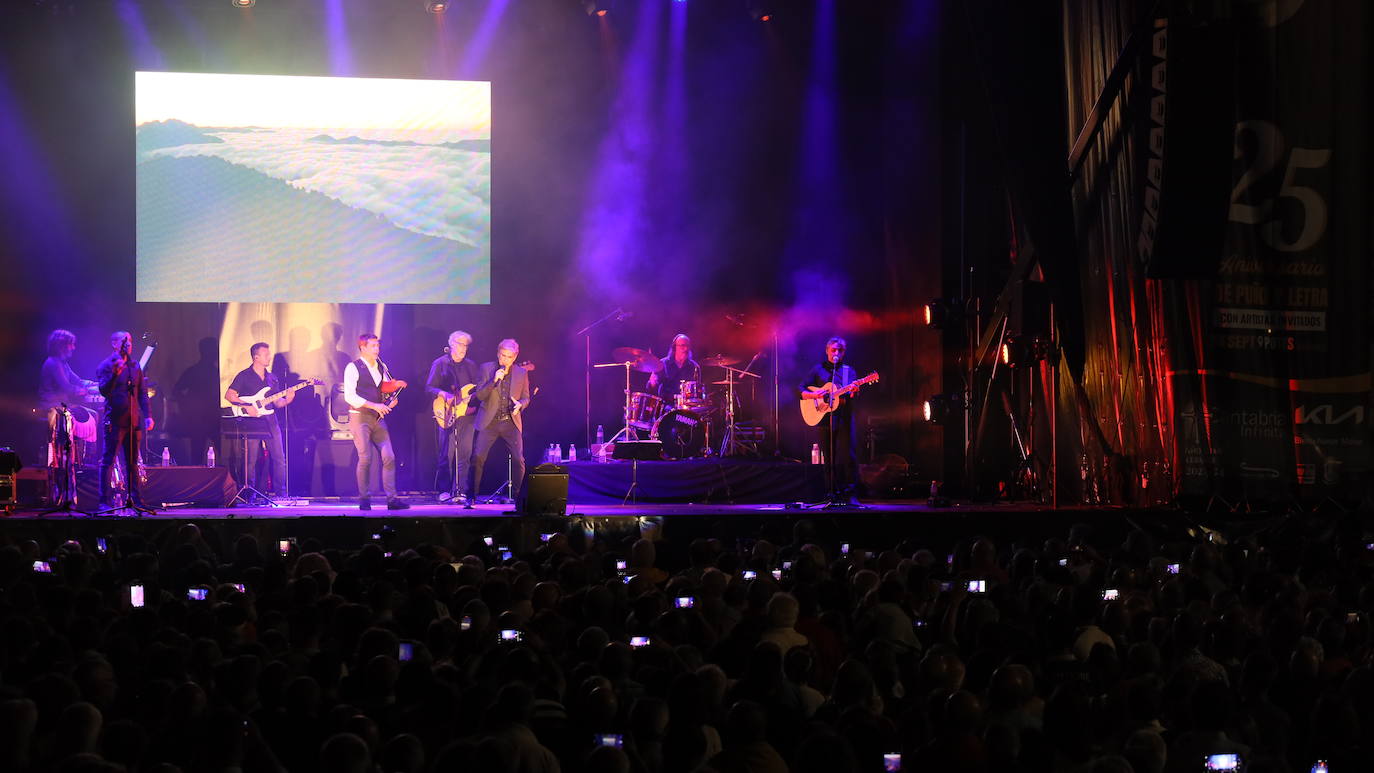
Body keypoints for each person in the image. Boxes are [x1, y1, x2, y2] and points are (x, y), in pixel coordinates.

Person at [342, 333, 408, 511]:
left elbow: (384, 388)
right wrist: (375, 405)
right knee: (365, 458)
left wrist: (392, 395)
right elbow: (350, 396)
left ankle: (392, 500)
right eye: (373, 346)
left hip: (377, 418)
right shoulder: (353, 367)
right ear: (363, 348)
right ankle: (364, 499)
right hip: (359, 417)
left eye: (378, 346)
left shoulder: (381, 365)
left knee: (389, 456)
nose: (377, 349)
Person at [224, 342, 294, 498]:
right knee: (251, 460)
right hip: (252, 421)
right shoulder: (244, 375)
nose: (269, 357)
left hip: (270, 419)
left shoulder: (272, 378)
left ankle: (281, 493)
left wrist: (287, 400)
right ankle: (250, 493)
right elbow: (229, 395)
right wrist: (247, 406)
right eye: (266, 354)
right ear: (256, 357)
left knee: (279, 458)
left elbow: (277, 403)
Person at [798, 337, 861, 505]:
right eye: (833, 350)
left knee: (848, 455)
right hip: (824, 417)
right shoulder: (817, 369)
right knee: (828, 456)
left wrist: (854, 391)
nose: (836, 353)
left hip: (844, 418)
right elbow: (801, 388)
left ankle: (850, 493)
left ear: (844, 352)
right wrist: (814, 395)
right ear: (827, 351)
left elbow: (852, 395)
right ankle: (830, 491)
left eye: (840, 350)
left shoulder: (849, 371)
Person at [96, 331, 153, 511]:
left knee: (132, 462)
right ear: (114, 343)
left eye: (130, 341)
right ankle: (104, 500)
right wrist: (114, 374)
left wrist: (148, 415)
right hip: (115, 420)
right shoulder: (106, 365)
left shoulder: (135, 366)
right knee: (108, 460)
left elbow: (142, 392)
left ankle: (136, 499)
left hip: (133, 421)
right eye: (124, 340)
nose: (128, 344)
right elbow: (104, 391)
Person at [470, 339, 530, 509]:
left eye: (509, 357)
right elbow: (479, 396)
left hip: (510, 422)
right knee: (478, 457)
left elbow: (526, 397)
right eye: (503, 355)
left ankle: (519, 497)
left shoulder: (521, 373)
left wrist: (521, 404)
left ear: (515, 356)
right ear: (498, 354)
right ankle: (471, 496)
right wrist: (493, 381)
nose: (505, 360)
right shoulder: (486, 368)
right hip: (489, 422)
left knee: (519, 460)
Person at [425, 330, 480, 504]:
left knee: (465, 453)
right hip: (446, 413)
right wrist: (443, 394)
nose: (463, 348)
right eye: (459, 344)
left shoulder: (471, 365)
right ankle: (444, 489)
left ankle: (460, 490)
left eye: (466, 345)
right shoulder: (441, 363)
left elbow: (477, 391)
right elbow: (429, 387)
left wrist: (473, 406)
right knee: (446, 454)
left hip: (466, 415)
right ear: (451, 344)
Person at [39, 329, 97, 410]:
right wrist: (88, 390)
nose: (73, 348)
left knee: (91, 413)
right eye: (71, 344)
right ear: (61, 345)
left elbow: (77, 381)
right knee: (91, 415)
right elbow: (67, 388)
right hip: (52, 406)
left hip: (61, 404)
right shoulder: (54, 363)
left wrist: (94, 384)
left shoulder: (62, 363)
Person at [647, 333, 701, 404]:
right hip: (666, 406)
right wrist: (652, 384)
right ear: (674, 348)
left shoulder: (694, 367)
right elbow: (651, 390)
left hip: (687, 407)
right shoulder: (663, 364)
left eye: (688, 346)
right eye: (682, 345)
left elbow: (698, 390)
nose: (686, 349)